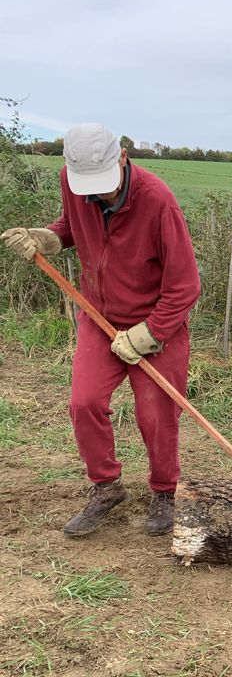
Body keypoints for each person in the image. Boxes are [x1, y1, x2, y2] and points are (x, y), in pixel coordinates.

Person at [2, 123, 200, 537]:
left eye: (104, 185)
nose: (97, 194)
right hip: (98, 316)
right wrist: (46, 238)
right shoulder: (74, 183)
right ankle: (106, 487)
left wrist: (149, 334)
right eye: (88, 186)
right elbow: (72, 227)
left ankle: (164, 491)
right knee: (84, 402)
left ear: (123, 158)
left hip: (156, 321)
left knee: (156, 413)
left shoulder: (158, 202)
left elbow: (185, 285)